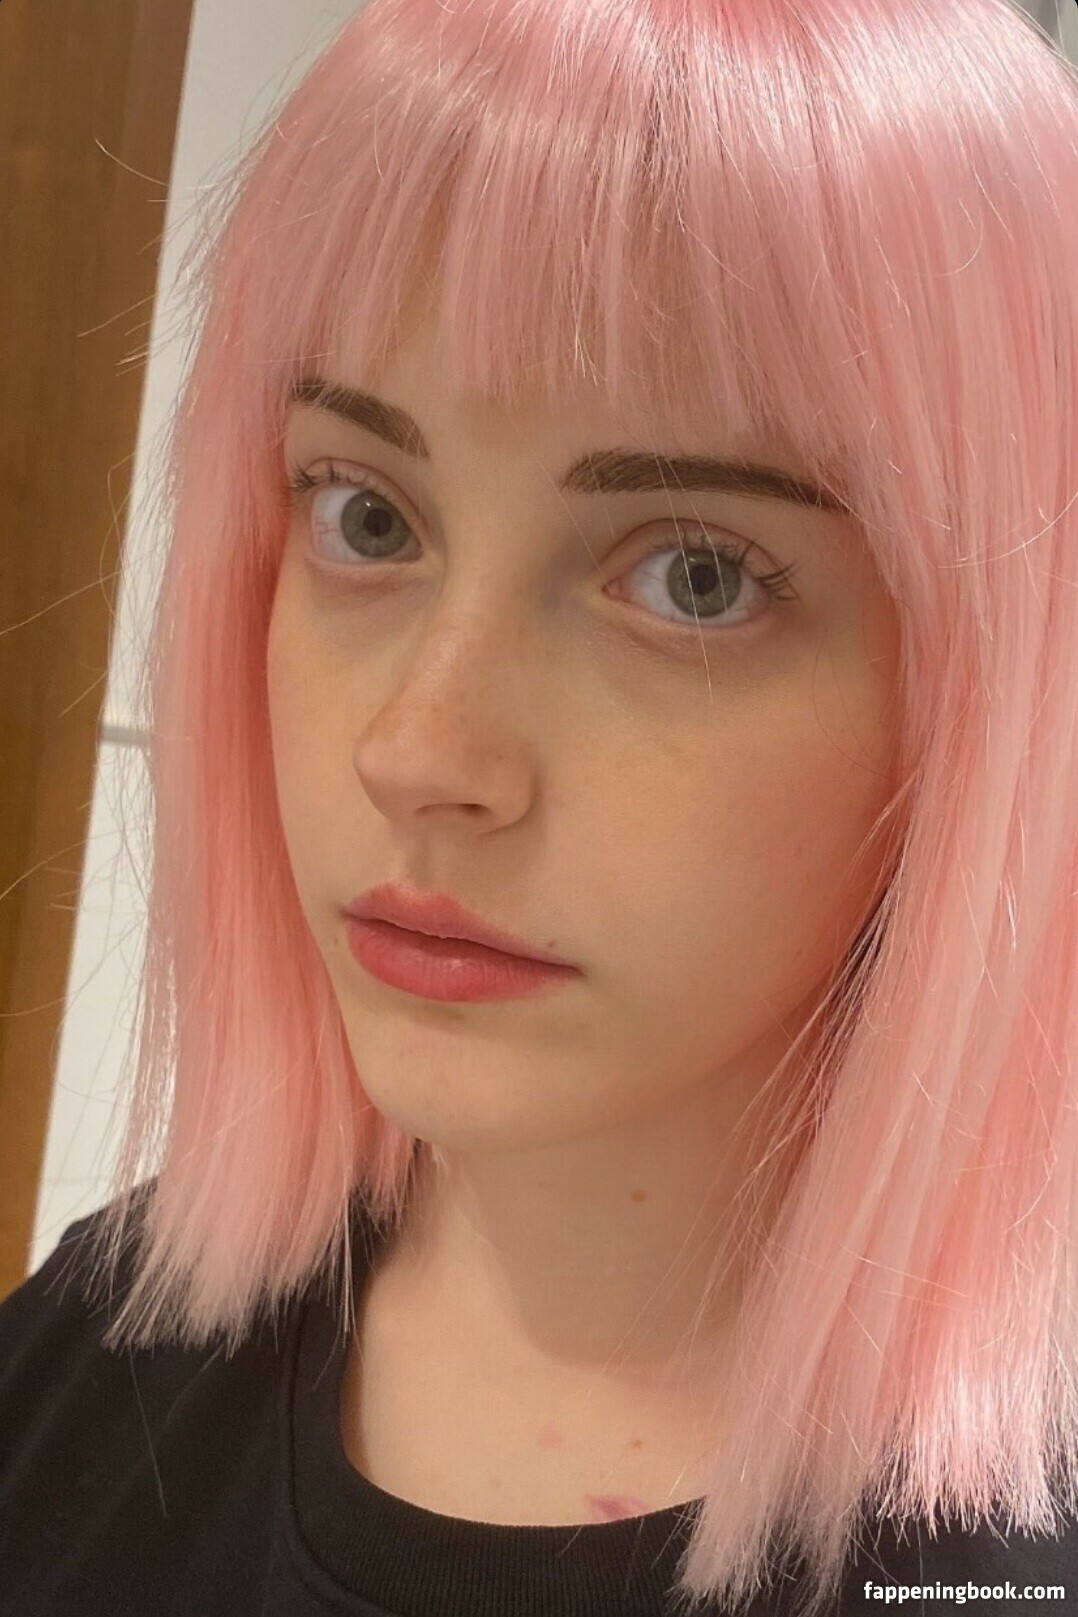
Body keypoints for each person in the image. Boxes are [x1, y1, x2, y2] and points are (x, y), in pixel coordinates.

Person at [2, 0, 1077, 1612]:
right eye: (366, 515)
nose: (418, 751)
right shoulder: (105, 1342)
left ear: (982, 694)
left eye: (695, 576)